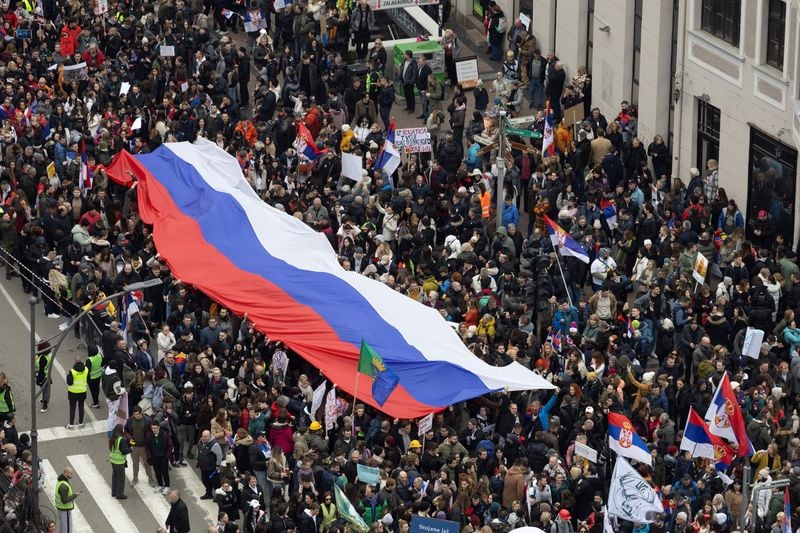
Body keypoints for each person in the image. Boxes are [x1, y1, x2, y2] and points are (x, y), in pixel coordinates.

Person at [146, 419, 174, 495]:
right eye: (152, 428)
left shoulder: (164, 435)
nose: (153, 430)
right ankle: (160, 485)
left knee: (165, 472)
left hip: (163, 457)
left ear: (158, 427)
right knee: (157, 472)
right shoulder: (149, 435)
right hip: (155, 457)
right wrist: (149, 455)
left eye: (155, 428)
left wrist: (167, 456)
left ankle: (167, 486)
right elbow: (148, 447)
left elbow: (170, 445)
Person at [198, 429, 224, 499]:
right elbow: (198, 450)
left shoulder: (214, 444)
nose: (204, 438)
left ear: (210, 436)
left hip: (212, 469)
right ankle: (209, 494)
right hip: (203, 467)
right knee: (205, 481)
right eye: (203, 436)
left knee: (215, 483)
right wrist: (197, 459)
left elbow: (219, 456)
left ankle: (219, 497)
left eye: (206, 437)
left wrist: (218, 465)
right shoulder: (200, 441)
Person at [55, 466, 81, 533]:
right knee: (67, 529)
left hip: (60, 508)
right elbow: (65, 500)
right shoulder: (64, 486)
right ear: (66, 473)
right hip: (65, 509)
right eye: (71, 473)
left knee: (62, 526)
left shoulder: (60, 480)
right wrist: (75, 495)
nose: (72, 475)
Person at [109, 423, 132, 500]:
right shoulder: (121, 440)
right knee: (121, 478)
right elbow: (124, 451)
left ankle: (114, 492)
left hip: (113, 460)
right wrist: (131, 449)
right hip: (119, 462)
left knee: (115, 476)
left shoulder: (112, 438)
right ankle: (119, 494)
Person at [65, 356, 88, 429]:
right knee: (81, 407)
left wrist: (68, 376)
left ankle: (71, 424)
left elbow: (70, 383)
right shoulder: (86, 369)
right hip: (82, 391)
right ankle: (81, 423)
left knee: (72, 408)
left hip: (73, 393)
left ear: (75, 362)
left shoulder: (72, 371)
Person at [35, 341, 53, 413]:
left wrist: (39, 380)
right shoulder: (47, 355)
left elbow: (41, 371)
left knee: (46, 391)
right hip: (46, 374)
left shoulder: (43, 358)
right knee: (44, 390)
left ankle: (45, 405)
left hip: (43, 376)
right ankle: (44, 400)